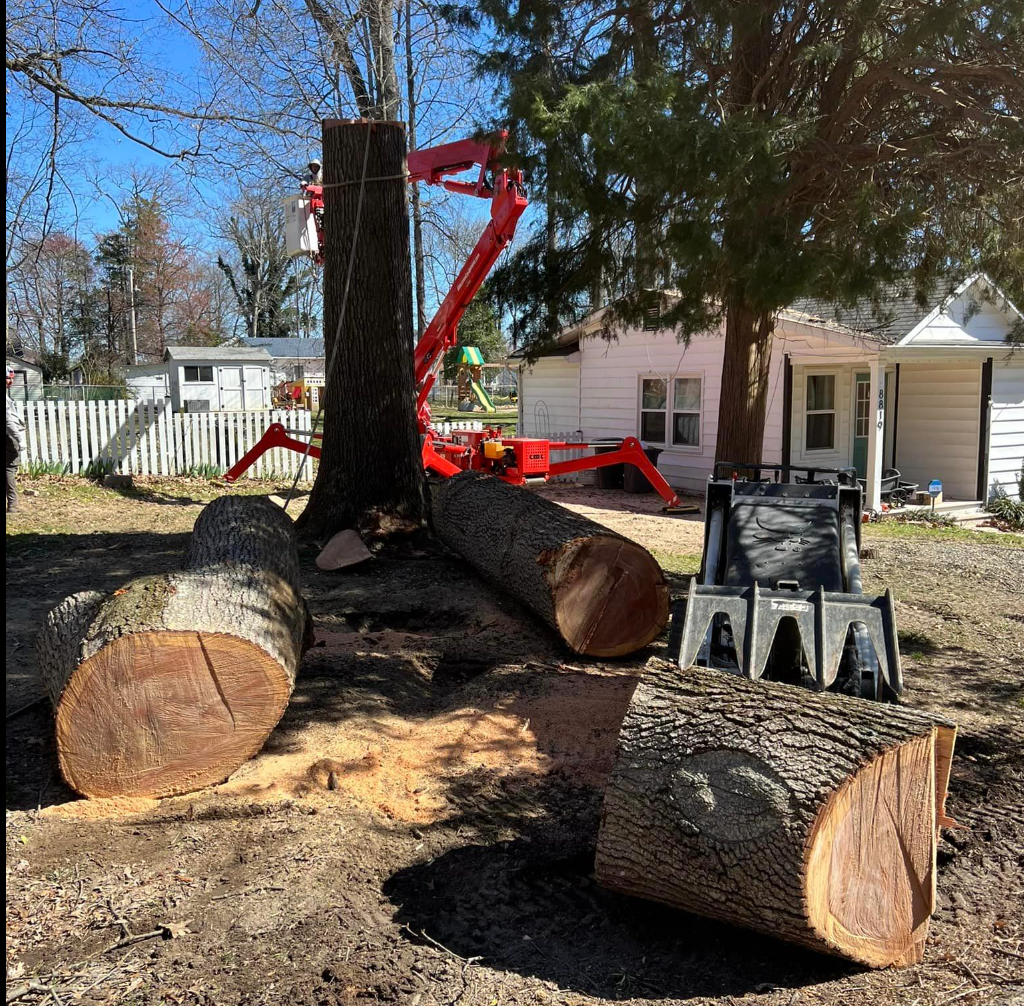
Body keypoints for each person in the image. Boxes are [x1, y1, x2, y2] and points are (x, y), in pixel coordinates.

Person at [6, 367, 25, 513]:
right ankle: (12, 505)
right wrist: (19, 439)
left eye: (12, 378)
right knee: (10, 468)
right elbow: (7, 421)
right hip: (8, 436)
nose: (11, 381)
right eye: (8, 378)